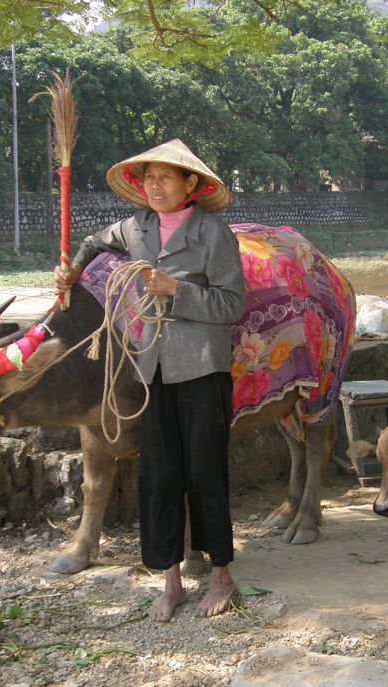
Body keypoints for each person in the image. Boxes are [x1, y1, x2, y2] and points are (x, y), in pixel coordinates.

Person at [54, 139, 245, 622]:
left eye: (165, 177)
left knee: (205, 472)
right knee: (158, 476)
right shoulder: (135, 227)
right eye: (148, 178)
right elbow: (95, 242)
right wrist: (71, 271)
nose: (154, 186)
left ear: (191, 185)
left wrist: (176, 291)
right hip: (154, 367)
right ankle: (171, 581)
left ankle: (221, 575)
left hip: (202, 368)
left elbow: (232, 304)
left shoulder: (213, 233)